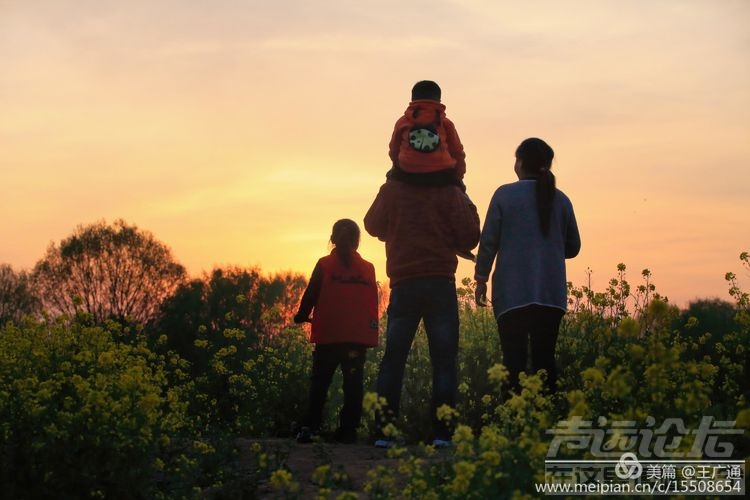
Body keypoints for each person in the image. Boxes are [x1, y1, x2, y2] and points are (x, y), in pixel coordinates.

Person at [364, 175, 480, 448]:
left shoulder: (392, 189)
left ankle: (384, 432)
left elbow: (371, 224)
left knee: (394, 359)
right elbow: (470, 235)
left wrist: (393, 228)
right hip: (440, 282)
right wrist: (463, 193)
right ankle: (443, 434)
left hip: (404, 283)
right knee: (444, 361)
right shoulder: (449, 190)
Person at [474, 138, 581, 397]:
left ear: (520, 163)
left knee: (513, 365)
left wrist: (481, 278)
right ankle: (547, 424)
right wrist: (548, 249)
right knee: (545, 365)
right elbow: (573, 247)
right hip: (550, 295)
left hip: (512, 295)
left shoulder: (504, 195)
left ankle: (514, 424)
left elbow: (488, 242)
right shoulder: (562, 200)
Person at [293, 219, 379, 444]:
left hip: (329, 337)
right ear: (357, 241)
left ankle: (309, 427)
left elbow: (311, 294)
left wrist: (301, 316)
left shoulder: (324, 264)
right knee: (353, 384)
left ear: (332, 239)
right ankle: (348, 430)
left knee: (320, 382)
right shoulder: (368, 268)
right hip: (356, 339)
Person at [387, 79, 476, 261]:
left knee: (389, 184)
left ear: (412, 100)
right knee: (462, 198)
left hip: (406, 172)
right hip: (442, 174)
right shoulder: (445, 123)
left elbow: (393, 149)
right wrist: (458, 179)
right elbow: (458, 152)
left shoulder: (402, 121)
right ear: (439, 100)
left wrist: (397, 167)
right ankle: (461, 243)